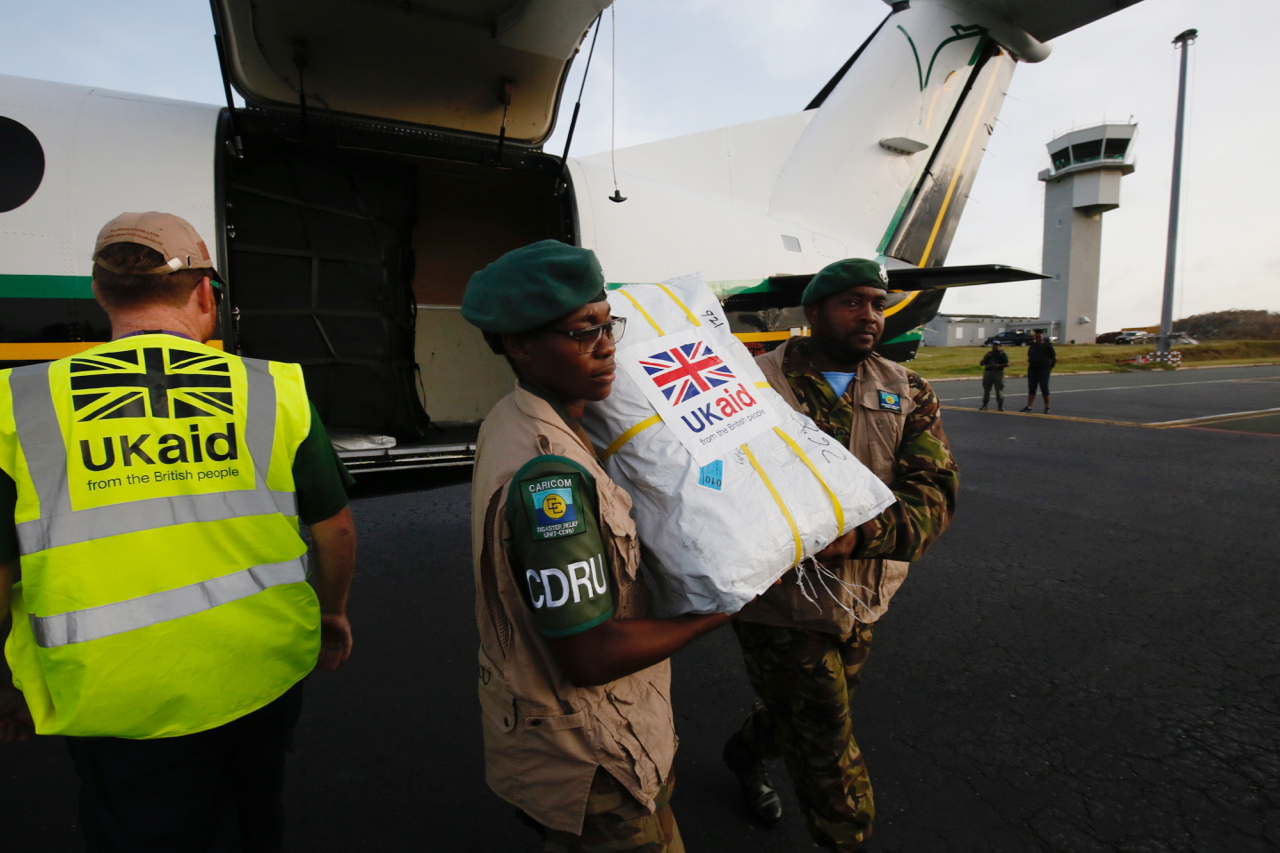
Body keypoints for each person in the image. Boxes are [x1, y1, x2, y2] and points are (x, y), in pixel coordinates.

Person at [0, 211, 357, 852]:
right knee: (255, 815)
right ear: (203, 295)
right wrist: (331, 615)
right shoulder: (273, 390)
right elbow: (335, 532)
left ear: (101, 295)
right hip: (262, 671)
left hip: (114, 697)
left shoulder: (18, 401)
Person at [463, 240, 735, 853]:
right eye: (582, 333)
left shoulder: (519, 415)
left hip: (580, 740)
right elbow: (590, 654)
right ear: (521, 344)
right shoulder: (547, 478)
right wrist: (720, 611)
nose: (608, 345)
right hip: (592, 758)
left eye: (607, 323)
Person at [723, 258, 959, 852]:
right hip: (777, 600)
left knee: (798, 716)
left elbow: (934, 492)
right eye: (852, 302)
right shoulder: (753, 385)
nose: (870, 316)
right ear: (814, 312)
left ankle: (744, 752)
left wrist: (859, 536)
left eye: (877, 304)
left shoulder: (908, 390)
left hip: (861, 593)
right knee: (827, 740)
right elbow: (711, 484)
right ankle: (845, 836)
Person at [1021, 329, 1056, 413]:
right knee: (1032, 388)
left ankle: (1047, 407)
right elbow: (1029, 356)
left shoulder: (1048, 346)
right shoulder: (1032, 346)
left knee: (1044, 388)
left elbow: (1054, 358)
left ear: (1042, 337)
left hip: (1043, 370)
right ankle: (1029, 406)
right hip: (1033, 369)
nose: (1038, 338)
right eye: (1036, 337)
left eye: (1039, 337)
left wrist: (1050, 367)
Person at [979, 340, 1009, 411]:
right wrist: (986, 357)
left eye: (996, 345)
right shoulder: (989, 354)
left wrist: (998, 365)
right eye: (993, 345)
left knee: (999, 389)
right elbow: (981, 363)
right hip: (988, 372)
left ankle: (1000, 405)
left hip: (998, 372)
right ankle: (985, 404)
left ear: (999, 346)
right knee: (986, 389)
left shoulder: (1002, 354)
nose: (994, 346)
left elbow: (1007, 364)